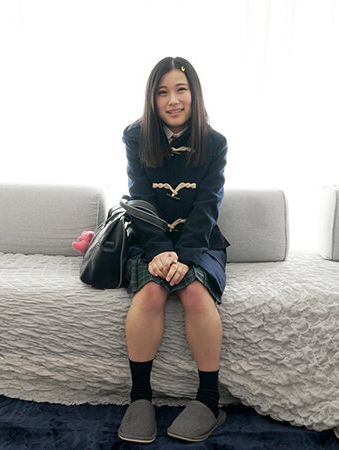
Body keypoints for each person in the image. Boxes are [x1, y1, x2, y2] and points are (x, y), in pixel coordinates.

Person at [117, 56, 230, 444]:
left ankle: (209, 400)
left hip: (199, 240)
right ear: (152, 99)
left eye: (181, 90)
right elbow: (141, 198)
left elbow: (208, 204)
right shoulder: (136, 137)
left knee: (194, 292)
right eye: (162, 92)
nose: (173, 100)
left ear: (194, 94)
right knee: (151, 292)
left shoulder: (214, 143)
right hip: (150, 237)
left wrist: (185, 256)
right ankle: (140, 398)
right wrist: (160, 251)